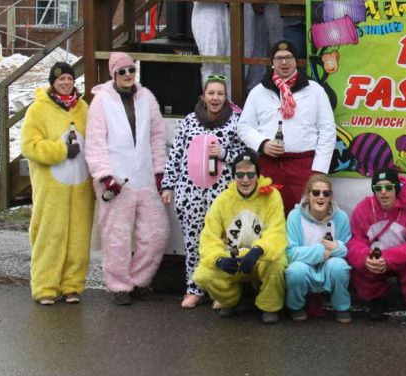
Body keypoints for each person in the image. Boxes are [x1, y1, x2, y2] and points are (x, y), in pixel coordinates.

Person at [84, 52, 170, 305]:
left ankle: (139, 280)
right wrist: (104, 175)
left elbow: (157, 137)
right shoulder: (101, 101)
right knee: (116, 237)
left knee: (156, 233)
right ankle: (119, 286)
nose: (127, 75)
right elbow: (96, 142)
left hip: (145, 178)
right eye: (122, 71)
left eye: (131, 70)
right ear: (113, 74)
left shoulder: (147, 98)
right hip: (116, 181)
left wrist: (160, 171)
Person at [161, 75, 246, 309]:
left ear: (225, 97)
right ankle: (195, 288)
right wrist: (168, 184)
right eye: (211, 93)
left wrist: (224, 153)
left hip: (222, 195)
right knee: (193, 242)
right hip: (191, 194)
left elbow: (245, 158)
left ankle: (220, 290)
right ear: (203, 96)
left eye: (220, 93)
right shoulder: (189, 121)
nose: (215, 98)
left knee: (223, 242)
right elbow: (176, 154)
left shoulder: (236, 122)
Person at [20, 61, 93, 305]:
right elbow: (29, 146)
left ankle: (72, 286)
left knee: (78, 238)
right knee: (49, 236)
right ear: (53, 82)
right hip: (51, 189)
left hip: (80, 187)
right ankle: (45, 287)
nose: (66, 83)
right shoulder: (38, 110)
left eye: (69, 79)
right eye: (61, 79)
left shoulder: (83, 108)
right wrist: (61, 150)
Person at [237, 40, 336, 215]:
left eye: (289, 57)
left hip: (304, 165)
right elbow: (244, 126)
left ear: (296, 61)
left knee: (306, 216)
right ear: (272, 63)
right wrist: (263, 144)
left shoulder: (315, 90)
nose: (284, 62)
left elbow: (327, 130)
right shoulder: (258, 92)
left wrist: (318, 170)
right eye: (279, 58)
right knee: (268, 215)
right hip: (268, 165)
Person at [193, 151, 287, 323]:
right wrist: (219, 259)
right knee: (202, 274)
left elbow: (277, 231)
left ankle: (269, 306)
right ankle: (230, 301)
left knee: (277, 263)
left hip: (259, 257)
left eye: (250, 174)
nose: (245, 180)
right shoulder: (223, 199)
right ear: (234, 175)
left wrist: (259, 249)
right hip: (233, 256)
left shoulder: (272, 196)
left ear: (257, 175)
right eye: (240, 174)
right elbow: (209, 237)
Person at [347, 167, 406, 324]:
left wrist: (389, 258)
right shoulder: (364, 208)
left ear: (397, 187)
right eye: (378, 188)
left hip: (404, 260)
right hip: (376, 257)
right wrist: (366, 258)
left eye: (388, 187)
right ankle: (378, 300)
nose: (384, 192)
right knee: (362, 269)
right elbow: (356, 240)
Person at [285, 173, 353, 323]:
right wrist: (321, 252)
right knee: (295, 270)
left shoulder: (341, 217)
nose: (320, 197)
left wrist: (337, 247)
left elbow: (349, 249)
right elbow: (290, 252)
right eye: (316, 193)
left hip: (329, 266)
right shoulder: (295, 216)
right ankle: (296, 307)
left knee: (340, 266)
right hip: (305, 266)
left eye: (326, 193)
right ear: (308, 195)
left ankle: (342, 307)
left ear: (330, 196)